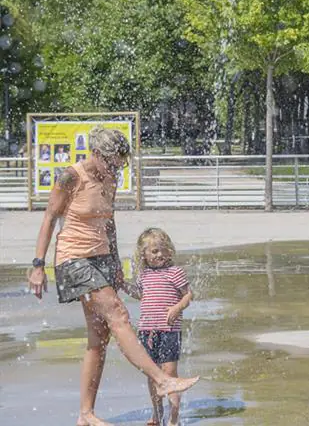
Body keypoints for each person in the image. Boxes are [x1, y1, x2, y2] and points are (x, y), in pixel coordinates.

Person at [27, 125, 198, 426]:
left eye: (119, 163)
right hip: (73, 259)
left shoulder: (111, 178)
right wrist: (38, 265)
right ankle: (161, 379)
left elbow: (109, 223)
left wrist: (116, 263)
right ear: (95, 153)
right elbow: (49, 218)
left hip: (102, 258)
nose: (115, 167)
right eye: (111, 161)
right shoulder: (71, 177)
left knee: (99, 337)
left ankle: (85, 414)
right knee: (118, 314)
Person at [125, 228, 192, 426]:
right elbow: (140, 294)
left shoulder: (175, 272)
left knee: (170, 374)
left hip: (169, 331)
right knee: (153, 375)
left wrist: (177, 307)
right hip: (147, 331)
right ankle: (157, 413)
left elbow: (188, 295)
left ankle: (173, 417)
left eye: (163, 249)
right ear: (143, 254)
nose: (160, 254)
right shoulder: (143, 275)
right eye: (154, 251)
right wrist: (121, 284)